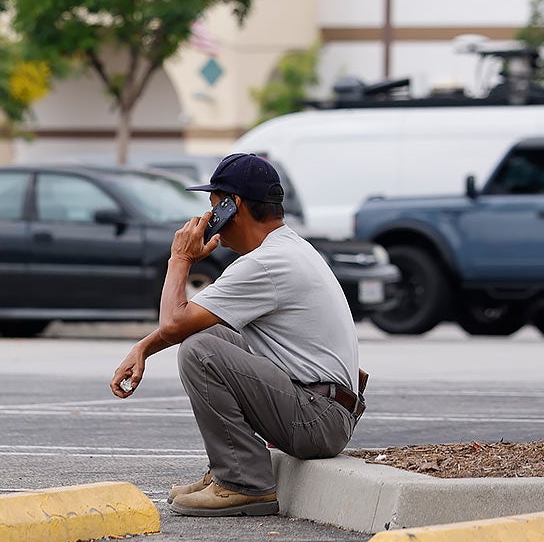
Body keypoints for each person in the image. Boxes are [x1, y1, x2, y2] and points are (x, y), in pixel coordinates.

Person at [110, 153, 364, 517]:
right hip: (326, 411)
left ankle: (243, 482)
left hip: (318, 421)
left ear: (235, 205)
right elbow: (194, 320)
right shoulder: (286, 248)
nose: (209, 218)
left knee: (200, 351)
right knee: (212, 336)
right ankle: (225, 470)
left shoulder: (266, 264)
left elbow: (174, 323)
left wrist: (179, 259)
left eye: (215, 206)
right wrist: (144, 348)